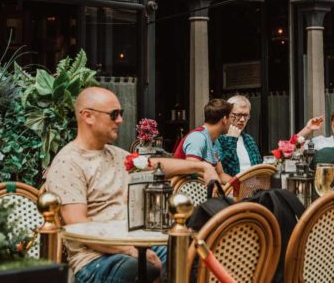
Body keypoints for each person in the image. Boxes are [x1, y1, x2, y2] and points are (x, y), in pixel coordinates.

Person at [45, 87, 221, 283]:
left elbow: (156, 165)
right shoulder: (68, 163)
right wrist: (129, 249)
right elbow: (79, 225)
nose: (120, 120)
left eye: (121, 114)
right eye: (114, 114)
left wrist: (202, 166)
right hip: (96, 259)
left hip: (138, 245)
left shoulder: (117, 155)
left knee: (194, 256)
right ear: (88, 116)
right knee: (146, 271)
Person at [174, 98, 234, 183]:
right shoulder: (197, 138)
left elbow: (220, 174)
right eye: (232, 118)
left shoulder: (214, 141)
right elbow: (192, 170)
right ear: (224, 119)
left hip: (203, 190)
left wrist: (240, 185)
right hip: (187, 191)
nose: (232, 122)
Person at [217, 95, 263, 176]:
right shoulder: (218, 138)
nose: (242, 120)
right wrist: (231, 140)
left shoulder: (248, 139)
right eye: (238, 115)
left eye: (245, 115)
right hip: (232, 186)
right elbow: (226, 170)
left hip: (255, 185)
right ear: (228, 115)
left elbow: (258, 166)